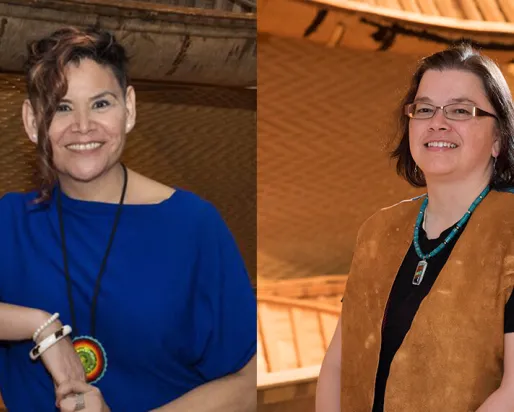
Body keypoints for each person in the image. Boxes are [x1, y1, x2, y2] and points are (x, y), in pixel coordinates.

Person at [0, 26, 256, 411]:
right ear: (33, 121)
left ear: (129, 108)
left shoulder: (191, 226)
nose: (83, 125)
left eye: (101, 104)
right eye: (61, 107)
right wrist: (40, 327)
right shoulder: (10, 221)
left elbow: (249, 383)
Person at [316, 43, 514, 411]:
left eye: (459, 110)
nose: (437, 122)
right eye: (424, 109)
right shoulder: (379, 230)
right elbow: (337, 366)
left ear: (499, 139)